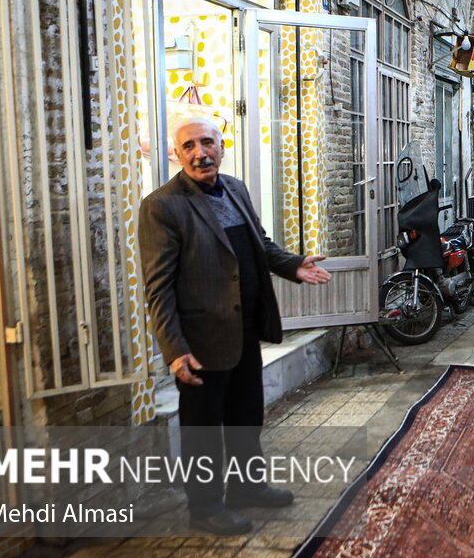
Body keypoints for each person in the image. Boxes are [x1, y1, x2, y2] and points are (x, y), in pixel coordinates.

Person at [139, 118, 332, 535]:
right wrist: (174, 349)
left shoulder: (236, 188)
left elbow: (259, 245)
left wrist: (293, 265)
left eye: (206, 142)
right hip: (200, 339)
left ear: (221, 147)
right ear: (176, 153)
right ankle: (205, 507)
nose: (199, 153)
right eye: (188, 145)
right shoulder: (163, 206)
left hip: (244, 329)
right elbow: (158, 288)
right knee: (203, 429)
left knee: (246, 417)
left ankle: (246, 487)